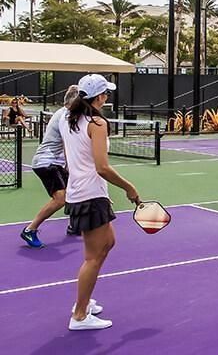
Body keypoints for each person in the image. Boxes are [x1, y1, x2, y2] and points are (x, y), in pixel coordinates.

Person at [60, 74, 141, 331]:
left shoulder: (67, 118)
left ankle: (84, 302)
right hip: (89, 194)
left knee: (108, 242)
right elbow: (102, 167)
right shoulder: (97, 123)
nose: (108, 97)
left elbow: (69, 154)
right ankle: (80, 315)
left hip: (85, 192)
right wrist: (129, 188)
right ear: (99, 97)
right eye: (106, 93)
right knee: (93, 257)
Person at [20, 86, 81, 249]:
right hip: (46, 162)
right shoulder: (66, 117)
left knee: (76, 190)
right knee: (60, 198)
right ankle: (29, 229)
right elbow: (69, 146)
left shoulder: (66, 113)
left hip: (55, 162)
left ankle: (74, 226)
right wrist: (72, 167)